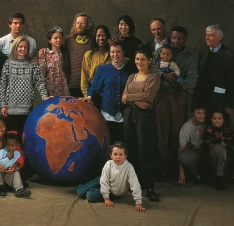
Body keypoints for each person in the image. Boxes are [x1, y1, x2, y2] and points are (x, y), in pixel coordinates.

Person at [152, 26, 198, 179]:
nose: (176, 41)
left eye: (179, 38)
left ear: (185, 40)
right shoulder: (160, 52)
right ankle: (161, 168)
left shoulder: (189, 59)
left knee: (176, 133)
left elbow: (191, 82)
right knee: (160, 132)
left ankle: (175, 168)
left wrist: (175, 83)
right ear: (170, 38)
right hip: (161, 97)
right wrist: (164, 77)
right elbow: (150, 68)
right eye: (173, 37)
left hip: (179, 98)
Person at [122, 45, 161, 202]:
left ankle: (149, 187)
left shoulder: (154, 76)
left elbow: (148, 95)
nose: (139, 61)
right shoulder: (131, 77)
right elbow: (123, 97)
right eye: (137, 59)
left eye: (143, 59)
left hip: (146, 115)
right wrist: (137, 101)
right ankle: (134, 185)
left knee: (145, 150)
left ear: (149, 60)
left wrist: (131, 97)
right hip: (130, 113)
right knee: (131, 148)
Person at [82, 40, 134, 145]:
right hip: (107, 113)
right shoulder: (102, 69)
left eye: (118, 52)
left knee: (125, 144)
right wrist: (90, 96)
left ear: (123, 52)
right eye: (112, 52)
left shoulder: (130, 70)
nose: (115, 55)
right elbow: (94, 88)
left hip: (126, 114)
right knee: (109, 143)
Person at [0, 36, 48, 136]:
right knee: (11, 138)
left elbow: (40, 83)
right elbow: (3, 85)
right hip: (10, 109)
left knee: (24, 137)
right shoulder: (8, 63)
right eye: (20, 46)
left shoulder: (33, 65)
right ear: (15, 47)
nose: (22, 49)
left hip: (27, 109)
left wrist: (44, 96)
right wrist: (3, 105)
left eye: (25, 47)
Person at [77, 142, 145, 212]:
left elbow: (135, 184)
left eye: (121, 154)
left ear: (125, 156)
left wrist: (138, 203)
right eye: (115, 154)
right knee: (80, 192)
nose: (118, 157)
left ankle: (97, 190)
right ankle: (90, 186)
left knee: (90, 196)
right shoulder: (108, 164)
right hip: (103, 180)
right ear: (111, 155)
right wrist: (106, 199)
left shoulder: (129, 167)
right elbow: (104, 181)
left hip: (113, 191)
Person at [195, 24, 234, 114]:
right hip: (202, 99)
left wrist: (229, 105)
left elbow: (232, 82)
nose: (207, 37)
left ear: (220, 37)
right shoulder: (203, 51)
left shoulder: (230, 56)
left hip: (219, 101)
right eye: (206, 34)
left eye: (211, 35)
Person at [203, 110, 234, 190]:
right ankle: (218, 178)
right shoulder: (208, 129)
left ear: (223, 120)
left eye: (219, 118)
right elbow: (208, 140)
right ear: (211, 120)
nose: (217, 120)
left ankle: (229, 175)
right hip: (211, 150)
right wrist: (223, 141)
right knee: (217, 153)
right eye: (214, 118)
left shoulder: (226, 128)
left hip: (225, 148)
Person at [0, 131, 31, 197]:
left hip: (9, 175)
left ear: (17, 145)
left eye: (13, 145)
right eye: (8, 145)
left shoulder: (17, 154)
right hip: (0, 175)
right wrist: (7, 158)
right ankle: (1, 188)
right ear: (5, 144)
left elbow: (19, 163)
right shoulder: (2, 152)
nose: (10, 147)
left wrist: (15, 168)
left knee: (16, 173)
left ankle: (19, 190)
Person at [65, 13, 94, 97]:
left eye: (83, 23)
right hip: (73, 84)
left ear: (88, 25)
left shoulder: (94, 40)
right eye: (78, 23)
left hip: (89, 84)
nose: (79, 25)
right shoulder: (68, 40)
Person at [177, 106, 206, 185]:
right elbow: (181, 148)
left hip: (207, 152)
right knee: (184, 156)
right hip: (195, 152)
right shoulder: (186, 127)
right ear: (193, 114)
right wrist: (181, 173)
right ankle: (195, 175)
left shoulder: (209, 123)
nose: (202, 116)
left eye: (204, 113)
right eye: (199, 113)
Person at [81, 25, 111, 97]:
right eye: (98, 35)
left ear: (108, 37)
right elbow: (84, 80)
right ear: (95, 37)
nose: (101, 38)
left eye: (103, 35)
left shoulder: (113, 54)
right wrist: (87, 96)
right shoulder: (89, 55)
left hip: (110, 93)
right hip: (93, 94)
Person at [38, 26, 70, 96]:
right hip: (50, 89)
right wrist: (44, 92)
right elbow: (41, 74)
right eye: (55, 38)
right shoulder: (45, 54)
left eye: (60, 38)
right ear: (50, 40)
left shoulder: (65, 53)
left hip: (64, 88)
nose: (58, 40)